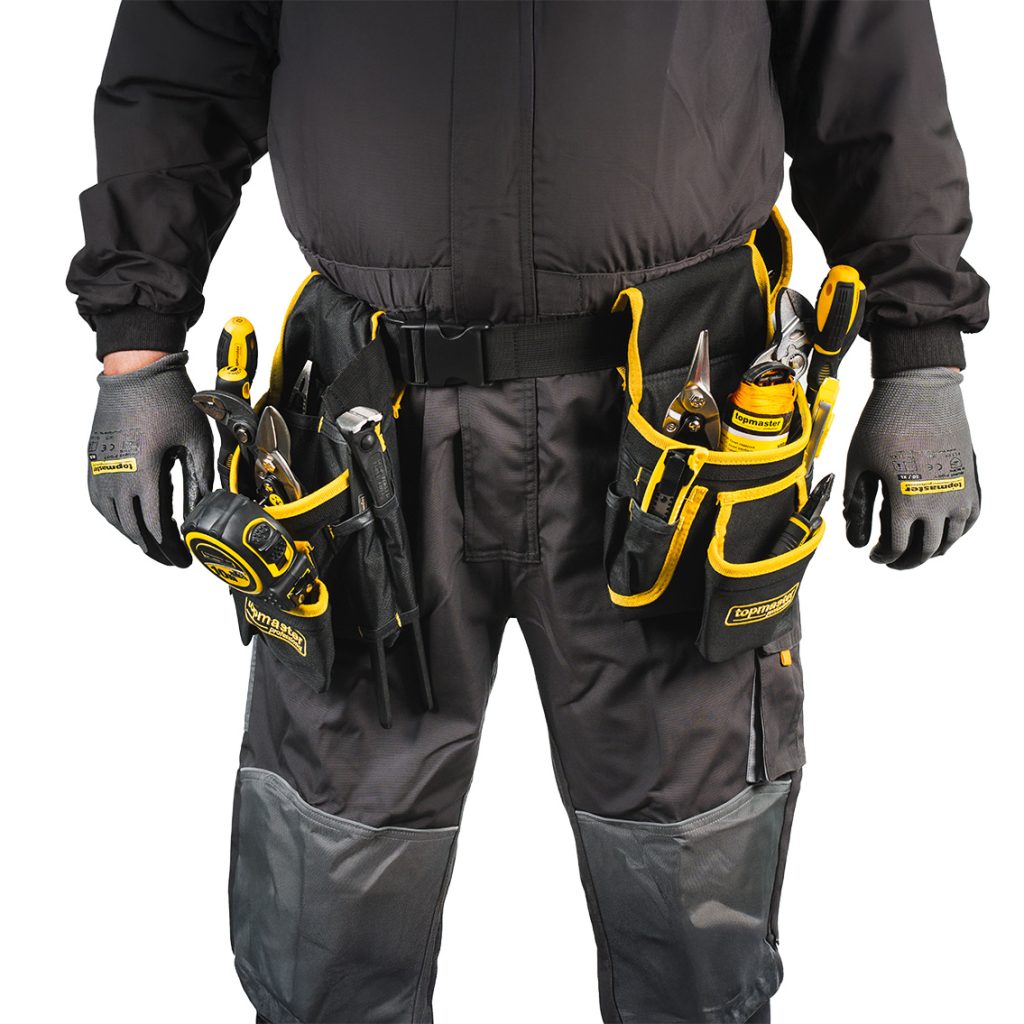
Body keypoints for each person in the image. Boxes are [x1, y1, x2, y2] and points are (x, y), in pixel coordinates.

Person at [68, 3, 986, 1022]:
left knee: (694, 909)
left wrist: (921, 352)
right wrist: (137, 344)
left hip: (672, 427)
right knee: (328, 904)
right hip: (370, 430)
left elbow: (864, 55)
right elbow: (185, 54)